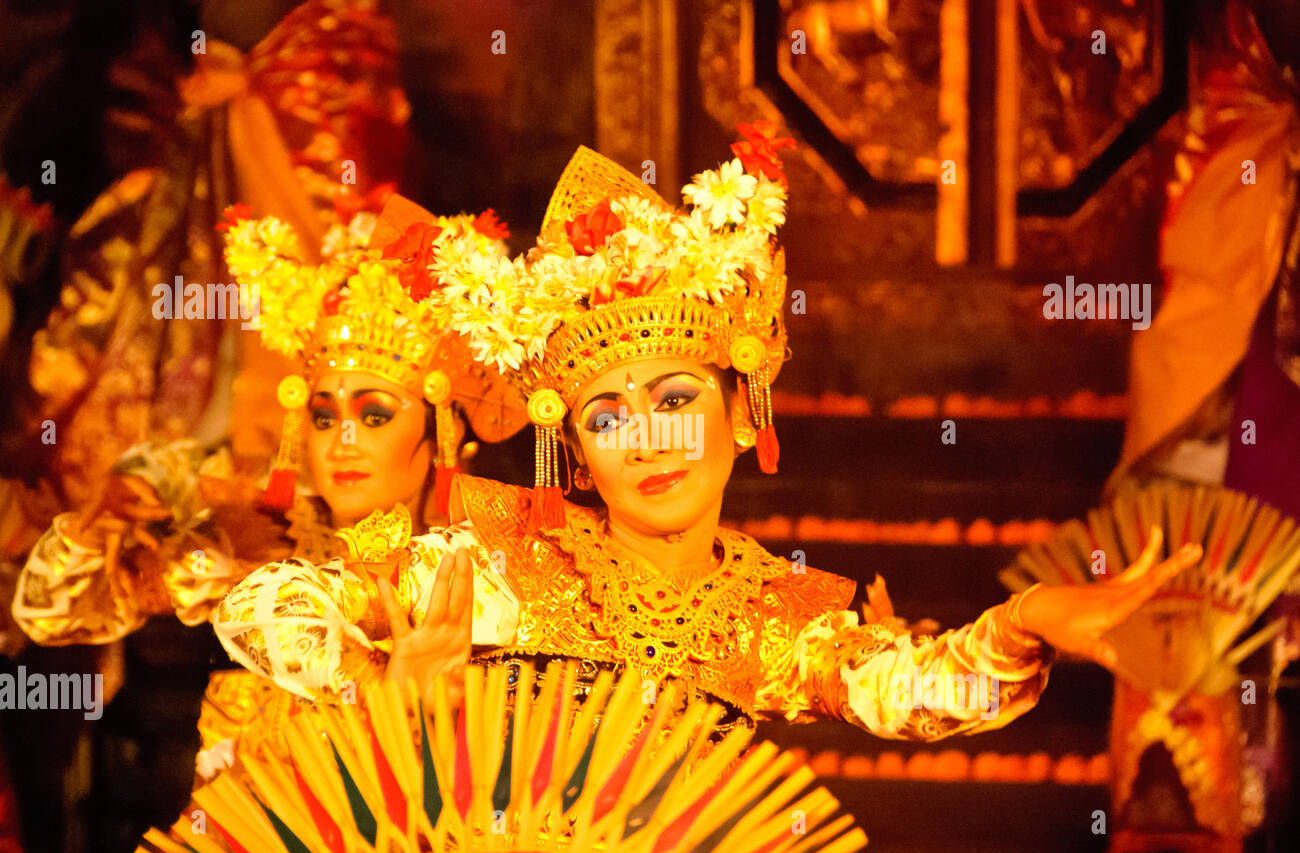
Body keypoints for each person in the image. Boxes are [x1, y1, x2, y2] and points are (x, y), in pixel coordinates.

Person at [214, 126, 1202, 745]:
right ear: (572, 447)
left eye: (677, 401)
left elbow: (901, 689)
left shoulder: (759, 611)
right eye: (606, 416)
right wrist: (383, 679)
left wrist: (1026, 621)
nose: (646, 440)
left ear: (742, 413)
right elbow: (263, 606)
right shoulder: (500, 568)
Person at [11, 201, 519, 773]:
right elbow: (52, 616)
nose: (342, 441)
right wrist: (89, 530)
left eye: (375, 416)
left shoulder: (487, 562)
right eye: (323, 418)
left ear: (442, 431)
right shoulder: (264, 541)